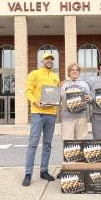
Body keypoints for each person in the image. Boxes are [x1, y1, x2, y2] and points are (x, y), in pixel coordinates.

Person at [22, 52, 60, 187]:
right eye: (47, 59)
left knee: (47, 144)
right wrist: (35, 102)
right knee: (33, 143)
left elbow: (58, 92)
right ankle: (28, 173)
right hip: (38, 113)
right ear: (42, 61)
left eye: (51, 59)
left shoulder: (55, 76)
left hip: (51, 114)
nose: (49, 61)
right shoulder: (34, 74)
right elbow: (28, 91)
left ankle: (44, 171)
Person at [57, 62, 92, 178]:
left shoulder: (84, 84)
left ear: (79, 72)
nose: (74, 71)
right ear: (69, 72)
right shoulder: (64, 85)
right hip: (67, 118)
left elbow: (89, 97)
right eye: (72, 70)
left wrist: (88, 98)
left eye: (76, 70)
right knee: (68, 144)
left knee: (81, 142)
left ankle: (80, 169)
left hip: (81, 117)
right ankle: (68, 169)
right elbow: (59, 99)